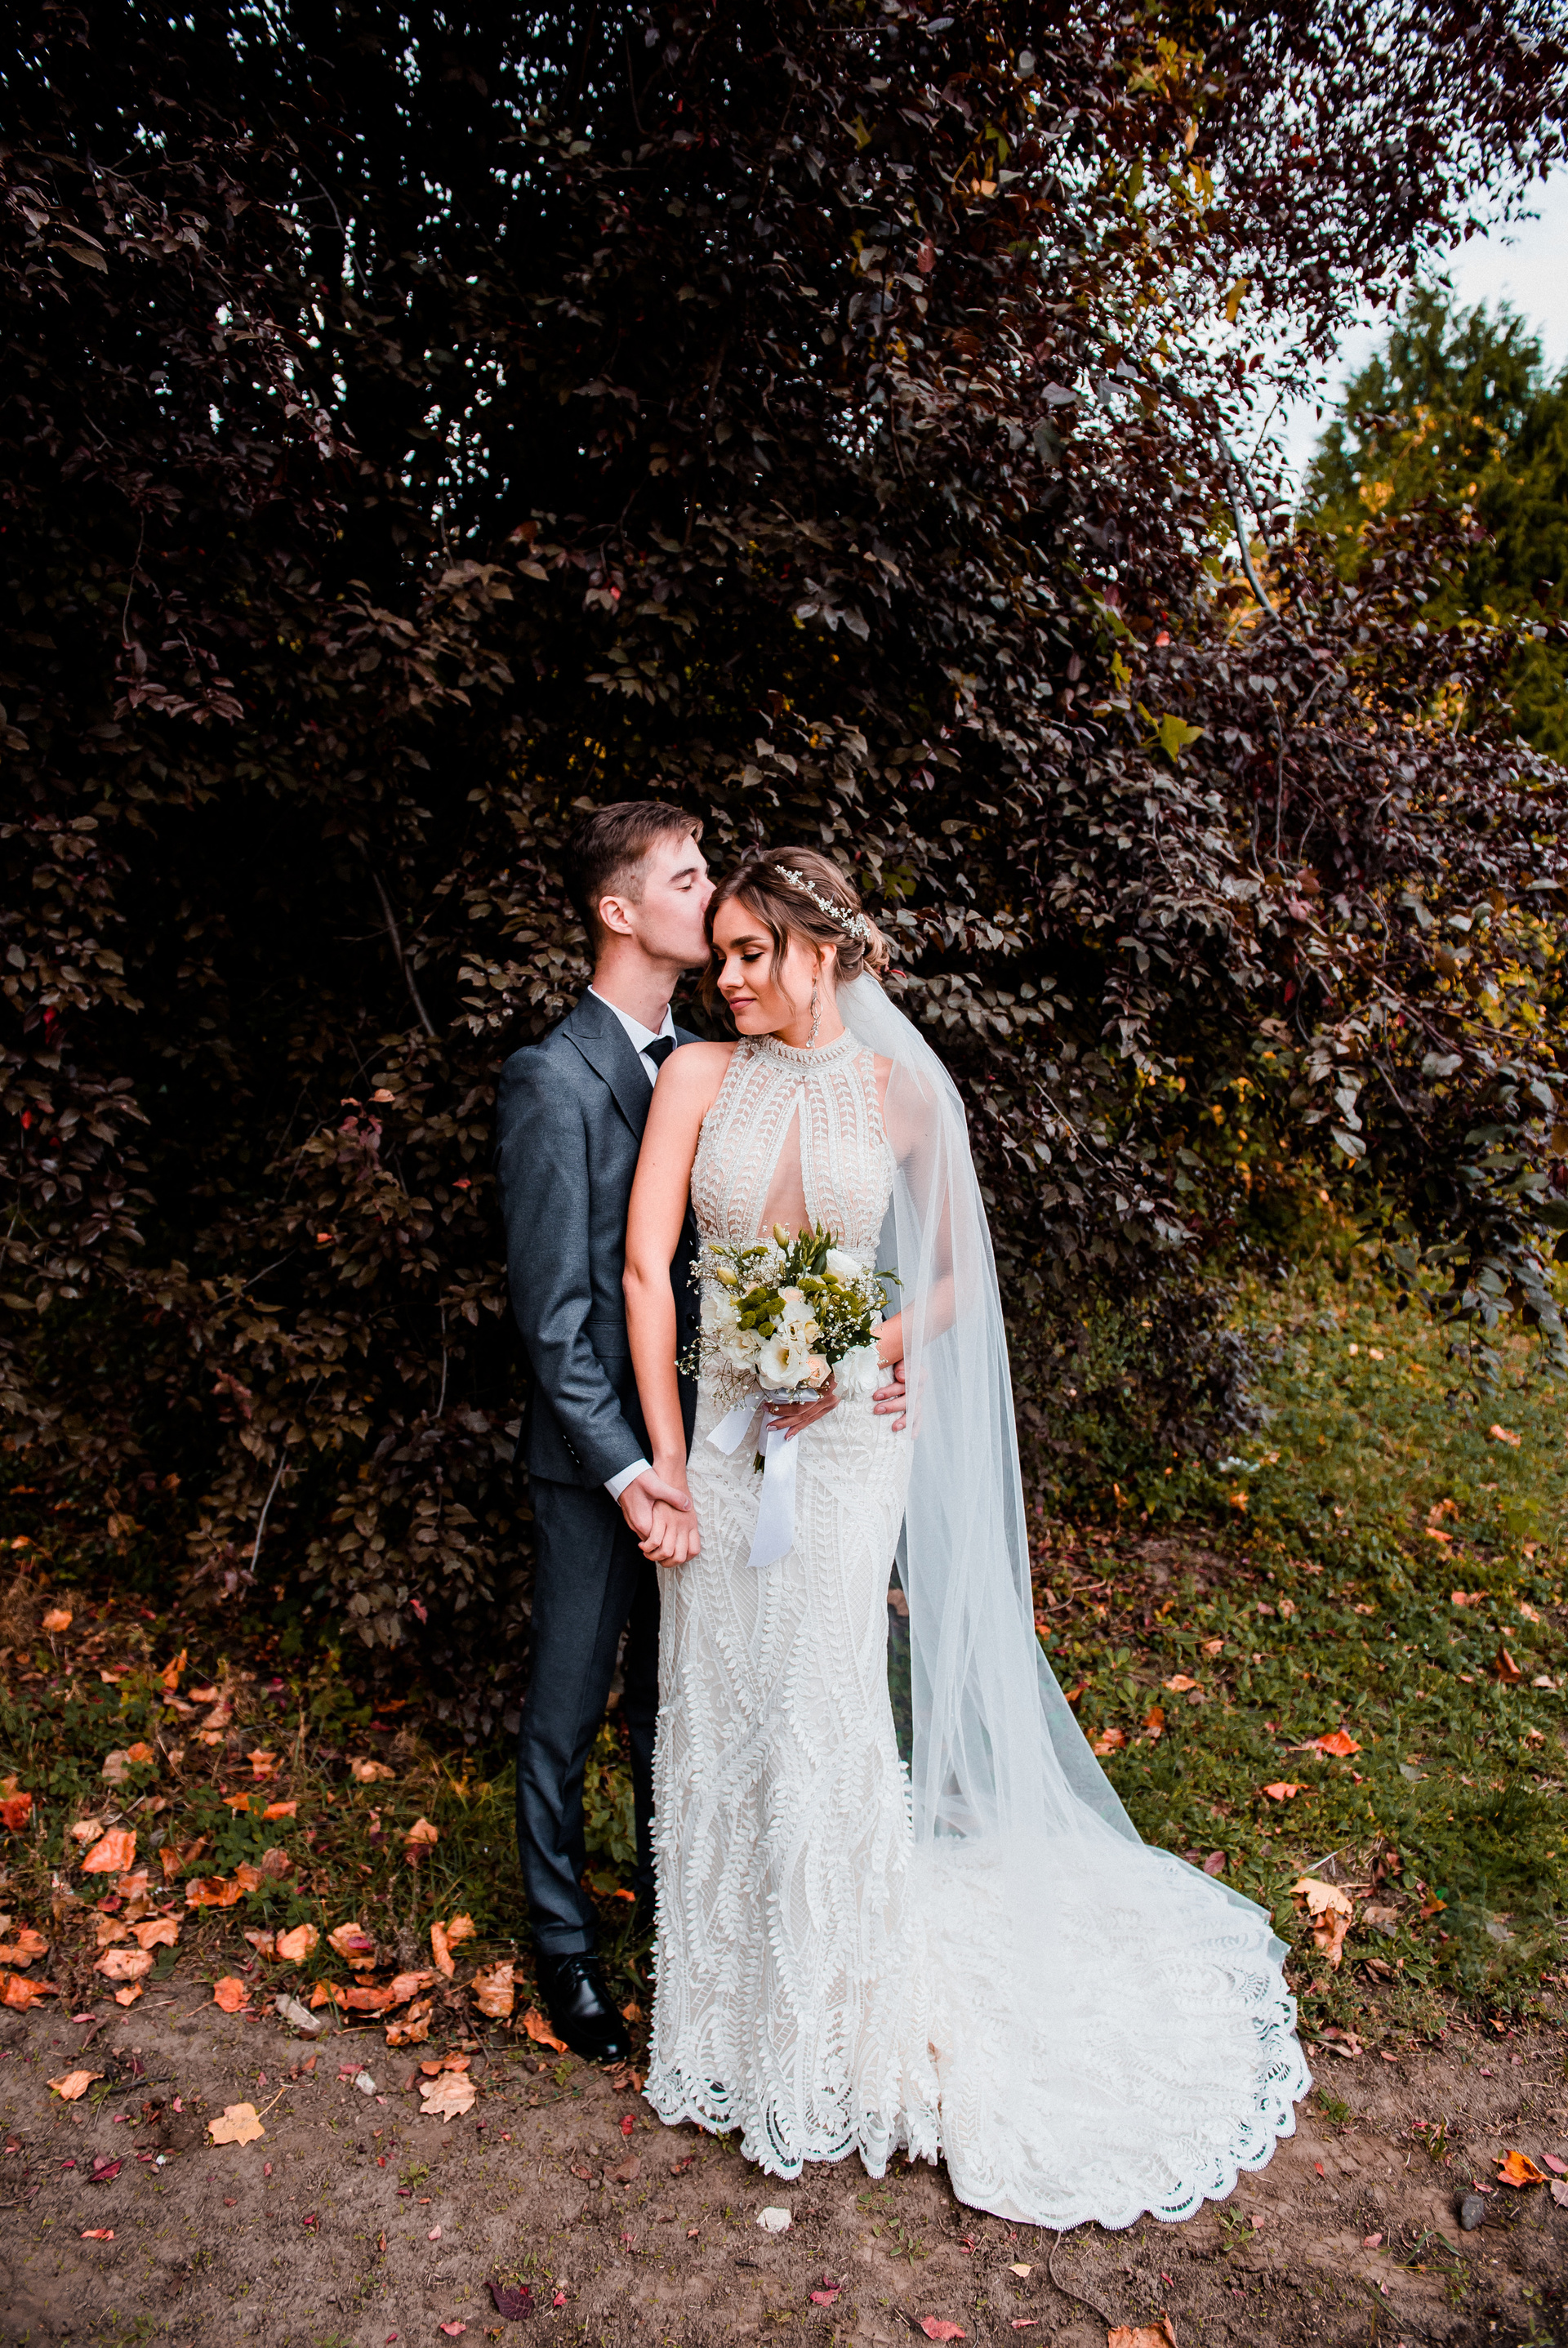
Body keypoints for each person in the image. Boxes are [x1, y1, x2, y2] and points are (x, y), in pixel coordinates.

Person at [621, 845, 1310, 2228]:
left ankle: (839, 2025)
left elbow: (951, 1276)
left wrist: (866, 1351)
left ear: (822, 952)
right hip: (728, 1449)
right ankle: (731, 2023)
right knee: (722, 1703)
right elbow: (648, 1271)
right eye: (724, 953)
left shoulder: (902, 1093)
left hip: (850, 1446)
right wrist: (672, 1465)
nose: (728, 976)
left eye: (755, 952)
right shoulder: (695, 1078)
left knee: (822, 1696)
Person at [493, 800, 713, 2063]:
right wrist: (630, 1472)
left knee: (674, 1710)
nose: (710, 894)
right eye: (686, 878)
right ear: (618, 910)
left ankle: (684, 1928)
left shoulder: (711, 1060)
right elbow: (554, 1321)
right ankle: (566, 1955)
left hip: (707, 1454)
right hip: (594, 1468)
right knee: (567, 1715)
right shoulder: (553, 1078)